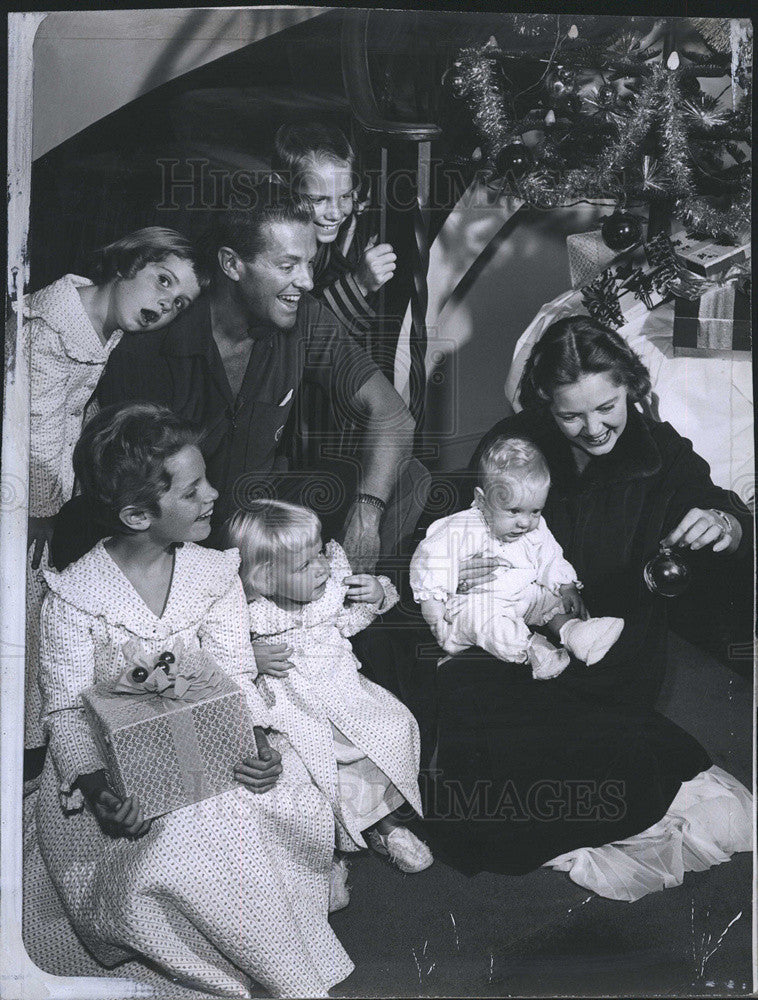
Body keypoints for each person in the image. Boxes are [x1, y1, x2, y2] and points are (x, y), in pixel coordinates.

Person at [419, 315, 753, 899]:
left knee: (614, 776)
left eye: (608, 407)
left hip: (615, 656)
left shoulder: (660, 449)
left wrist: (723, 523)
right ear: (545, 402)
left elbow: (718, 503)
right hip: (520, 653)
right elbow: (456, 537)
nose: (594, 428)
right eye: (571, 415)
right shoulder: (513, 447)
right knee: (482, 802)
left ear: (630, 388)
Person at [34, 403, 354, 998]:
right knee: (185, 837)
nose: (213, 494)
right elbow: (65, 713)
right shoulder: (75, 596)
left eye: (207, 477)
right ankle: (278, 975)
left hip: (207, 746)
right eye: (192, 490)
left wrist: (256, 740)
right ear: (136, 514)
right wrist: (101, 788)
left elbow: (235, 670)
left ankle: (275, 945)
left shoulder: (212, 574)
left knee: (273, 798)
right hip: (119, 773)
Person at [96, 183, 416, 573]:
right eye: (287, 266)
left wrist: (367, 516)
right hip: (183, 531)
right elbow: (128, 496)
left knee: (408, 478)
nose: (307, 282)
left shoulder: (306, 317)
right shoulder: (151, 345)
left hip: (264, 517)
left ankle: (341, 612)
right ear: (232, 264)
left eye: (310, 264)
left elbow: (393, 415)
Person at [15, 228, 205, 765]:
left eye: (178, 302)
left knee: (30, 632)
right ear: (131, 262)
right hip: (22, 506)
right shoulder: (52, 327)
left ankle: (32, 760)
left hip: (39, 504)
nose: (164, 304)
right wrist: (39, 512)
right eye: (161, 280)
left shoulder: (101, 327)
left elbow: (70, 416)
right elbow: (31, 430)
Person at [225, 499, 433, 897]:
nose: (321, 566)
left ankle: (385, 825)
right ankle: (327, 855)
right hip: (292, 709)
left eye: (320, 553)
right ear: (265, 580)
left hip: (346, 694)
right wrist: (248, 657)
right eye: (305, 565)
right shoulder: (249, 617)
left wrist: (375, 597)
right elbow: (217, 655)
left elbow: (351, 622)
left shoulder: (326, 596)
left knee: (388, 734)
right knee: (310, 768)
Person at [410, 436, 624, 679]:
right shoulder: (461, 529)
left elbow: (550, 555)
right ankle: (532, 649)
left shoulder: (535, 527)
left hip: (521, 597)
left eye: (535, 511)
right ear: (482, 500)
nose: (525, 522)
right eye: (513, 511)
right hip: (479, 603)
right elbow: (431, 562)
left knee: (550, 597)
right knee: (485, 620)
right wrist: (435, 613)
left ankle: (577, 633)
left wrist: (565, 586)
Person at [272, 122, 396, 335]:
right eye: (318, 199)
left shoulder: (322, 232)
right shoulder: (270, 249)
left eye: (345, 195)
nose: (336, 213)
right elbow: (296, 340)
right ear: (279, 187)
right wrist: (359, 285)